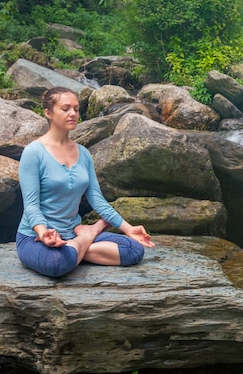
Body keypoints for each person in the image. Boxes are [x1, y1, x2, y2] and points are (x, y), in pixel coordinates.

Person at [16, 86, 155, 277]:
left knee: (133, 249)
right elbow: (31, 206)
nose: (73, 113)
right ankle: (86, 239)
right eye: (65, 109)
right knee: (56, 264)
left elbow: (97, 199)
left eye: (76, 108)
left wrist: (128, 228)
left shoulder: (84, 154)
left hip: (72, 232)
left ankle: (74, 251)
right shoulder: (34, 152)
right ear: (48, 113)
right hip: (35, 238)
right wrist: (42, 232)